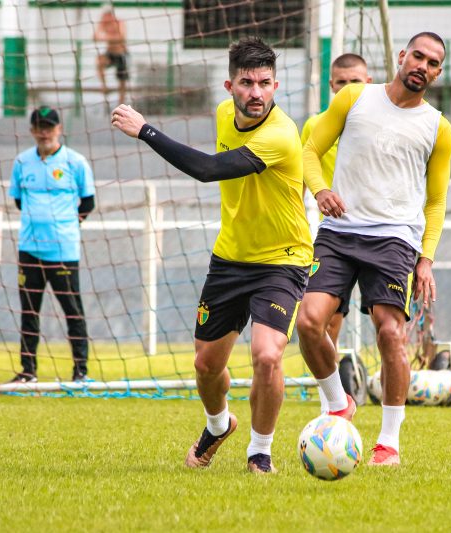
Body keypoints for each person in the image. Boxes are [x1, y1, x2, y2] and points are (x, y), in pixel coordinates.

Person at [111, 37, 312, 474]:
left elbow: (207, 170)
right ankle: (219, 425)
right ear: (230, 86)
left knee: (267, 354)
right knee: (206, 365)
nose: (256, 93)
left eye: (264, 83)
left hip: (283, 259)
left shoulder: (281, 133)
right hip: (230, 259)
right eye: (246, 83)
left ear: (276, 85)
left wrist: (145, 130)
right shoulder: (224, 115)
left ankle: (260, 452)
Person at [298, 32, 451, 466]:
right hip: (339, 231)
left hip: (394, 239)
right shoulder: (354, 98)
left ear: (438, 73)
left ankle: (388, 441)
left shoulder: (438, 128)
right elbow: (310, 150)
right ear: (401, 56)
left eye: (434, 63)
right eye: (418, 56)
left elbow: (436, 201)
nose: (423, 65)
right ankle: (337, 404)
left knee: (389, 331)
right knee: (309, 321)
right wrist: (321, 189)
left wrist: (426, 259)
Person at [300, 53, 371, 413]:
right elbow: (299, 177)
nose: (347, 89)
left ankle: (371, 397)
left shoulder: (378, 125)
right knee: (324, 319)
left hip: (378, 238)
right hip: (331, 238)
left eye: (355, 82)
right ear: (331, 86)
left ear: (368, 83)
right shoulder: (315, 126)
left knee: (382, 324)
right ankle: (332, 396)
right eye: (341, 82)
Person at [7, 106, 96, 383]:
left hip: (63, 251)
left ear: (59, 129)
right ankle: (27, 371)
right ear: (32, 130)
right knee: (29, 312)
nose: (44, 132)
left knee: (73, 311)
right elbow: (19, 201)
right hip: (29, 249)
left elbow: (88, 202)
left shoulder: (76, 162)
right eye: (39, 126)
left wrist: (65, 226)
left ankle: (80, 371)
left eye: (49, 126)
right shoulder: (22, 163)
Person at [94, 8, 129, 104]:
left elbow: (121, 37)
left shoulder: (119, 22)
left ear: (111, 16)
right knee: (99, 61)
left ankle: (120, 104)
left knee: (122, 80)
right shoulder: (104, 24)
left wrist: (105, 37)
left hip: (121, 54)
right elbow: (95, 37)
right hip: (110, 53)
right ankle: (104, 87)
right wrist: (101, 27)